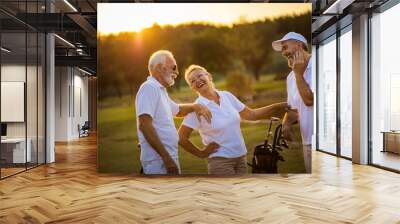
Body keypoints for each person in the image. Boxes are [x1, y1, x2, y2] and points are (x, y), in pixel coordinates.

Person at [178, 65, 287, 175]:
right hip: (220, 162)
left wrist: (277, 107)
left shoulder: (227, 96)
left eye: (200, 75)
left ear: (209, 76)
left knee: (242, 192)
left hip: (241, 158)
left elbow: (251, 114)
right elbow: (181, 137)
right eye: (192, 81)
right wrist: (201, 153)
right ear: (192, 87)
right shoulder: (197, 107)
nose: (197, 80)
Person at [135, 50, 218, 175]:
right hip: (159, 161)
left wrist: (196, 106)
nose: (177, 72)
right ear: (159, 68)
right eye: (173, 67)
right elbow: (144, 125)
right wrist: (167, 159)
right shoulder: (149, 88)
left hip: (165, 158)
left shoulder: (160, 90)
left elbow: (178, 111)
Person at [272, 32, 314, 173]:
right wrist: (286, 122)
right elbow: (294, 109)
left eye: (285, 47)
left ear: (299, 45)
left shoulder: (318, 65)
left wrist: (298, 73)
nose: (283, 53)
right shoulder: (291, 77)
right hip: (307, 143)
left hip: (326, 143)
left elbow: (309, 100)